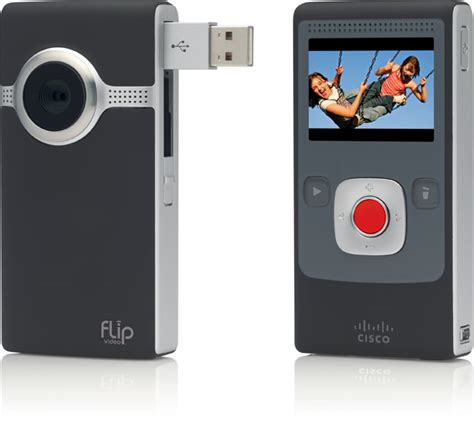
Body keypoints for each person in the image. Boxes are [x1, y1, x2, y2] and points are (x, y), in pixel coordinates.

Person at [309, 66, 404, 129]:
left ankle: (383, 85)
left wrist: (338, 74)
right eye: (315, 88)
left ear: (325, 81)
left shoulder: (328, 84)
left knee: (365, 92)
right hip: (351, 120)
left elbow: (335, 84)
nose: (319, 88)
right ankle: (393, 100)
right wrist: (361, 92)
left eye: (320, 83)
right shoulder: (325, 104)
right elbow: (350, 113)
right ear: (313, 92)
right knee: (373, 109)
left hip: (347, 103)